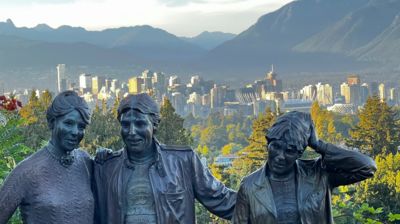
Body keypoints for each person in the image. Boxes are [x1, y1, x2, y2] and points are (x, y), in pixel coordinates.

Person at [94, 93, 236, 224]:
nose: (131, 132)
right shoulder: (106, 167)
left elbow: (223, 201)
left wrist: (256, 192)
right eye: (126, 125)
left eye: (140, 124)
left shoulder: (183, 162)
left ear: (154, 125)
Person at [232, 111, 377, 224]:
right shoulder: (249, 186)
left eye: (290, 150)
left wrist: (319, 145)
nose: (280, 156)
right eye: (275, 147)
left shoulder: (318, 174)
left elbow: (367, 167)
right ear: (268, 144)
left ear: (299, 153)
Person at [0, 91, 94, 224]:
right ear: (52, 122)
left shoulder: (85, 162)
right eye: (68, 123)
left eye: (81, 126)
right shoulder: (26, 172)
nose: (75, 132)